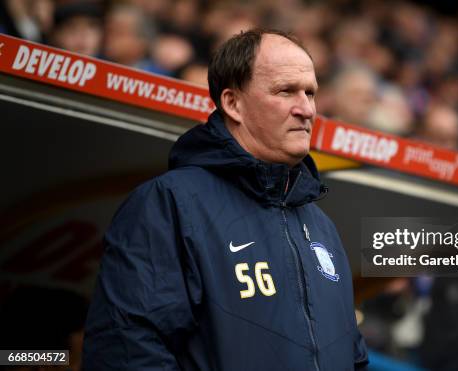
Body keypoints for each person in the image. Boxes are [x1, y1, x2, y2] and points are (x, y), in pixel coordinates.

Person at [83, 29, 369, 371]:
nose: (306, 109)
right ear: (233, 103)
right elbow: (126, 352)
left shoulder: (322, 226)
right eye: (286, 91)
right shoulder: (169, 204)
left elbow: (354, 357)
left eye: (310, 93)